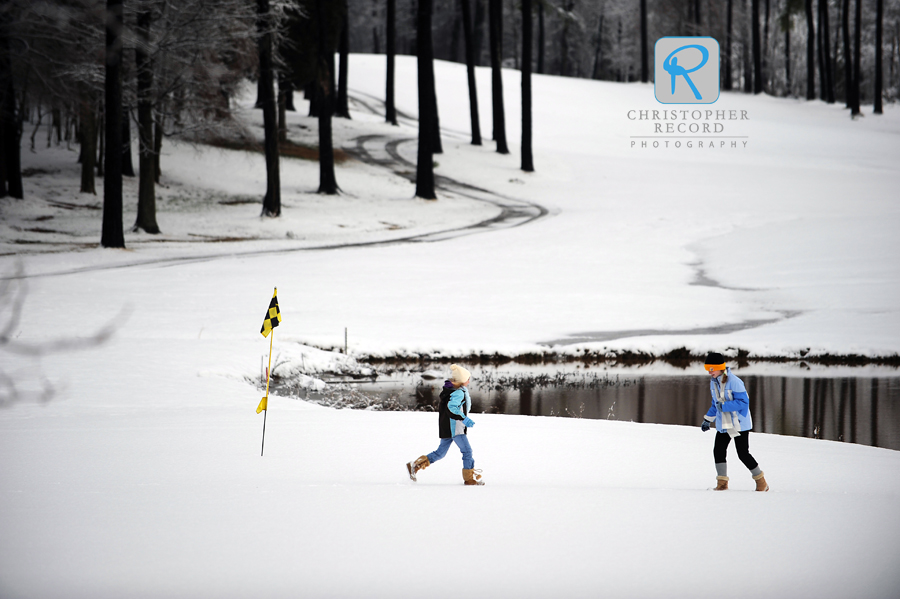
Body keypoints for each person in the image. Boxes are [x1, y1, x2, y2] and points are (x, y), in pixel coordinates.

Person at [700, 352, 769, 492]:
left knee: (742, 454)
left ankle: (761, 481)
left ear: (719, 367)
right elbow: (715, 404)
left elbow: (744, 402)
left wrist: (724, 406)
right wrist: (707, 420)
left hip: (739, 424)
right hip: (723, 424)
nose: (709, 372)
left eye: (711, 369)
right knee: (718, 451)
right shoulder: (714, 383)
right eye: (708, 369)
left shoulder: (735, 381)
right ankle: (722, 483)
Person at [406, 364, 484, 486]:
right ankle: (469, 479)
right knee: (467, 451)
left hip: (447, 427)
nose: (469, 380)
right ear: (463, 380)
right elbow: (452, 408)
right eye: (468, 378)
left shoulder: (451, 390)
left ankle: (415, 465)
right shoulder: (458, 393)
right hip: (455, 427)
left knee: (440, 453)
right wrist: (463, 418)